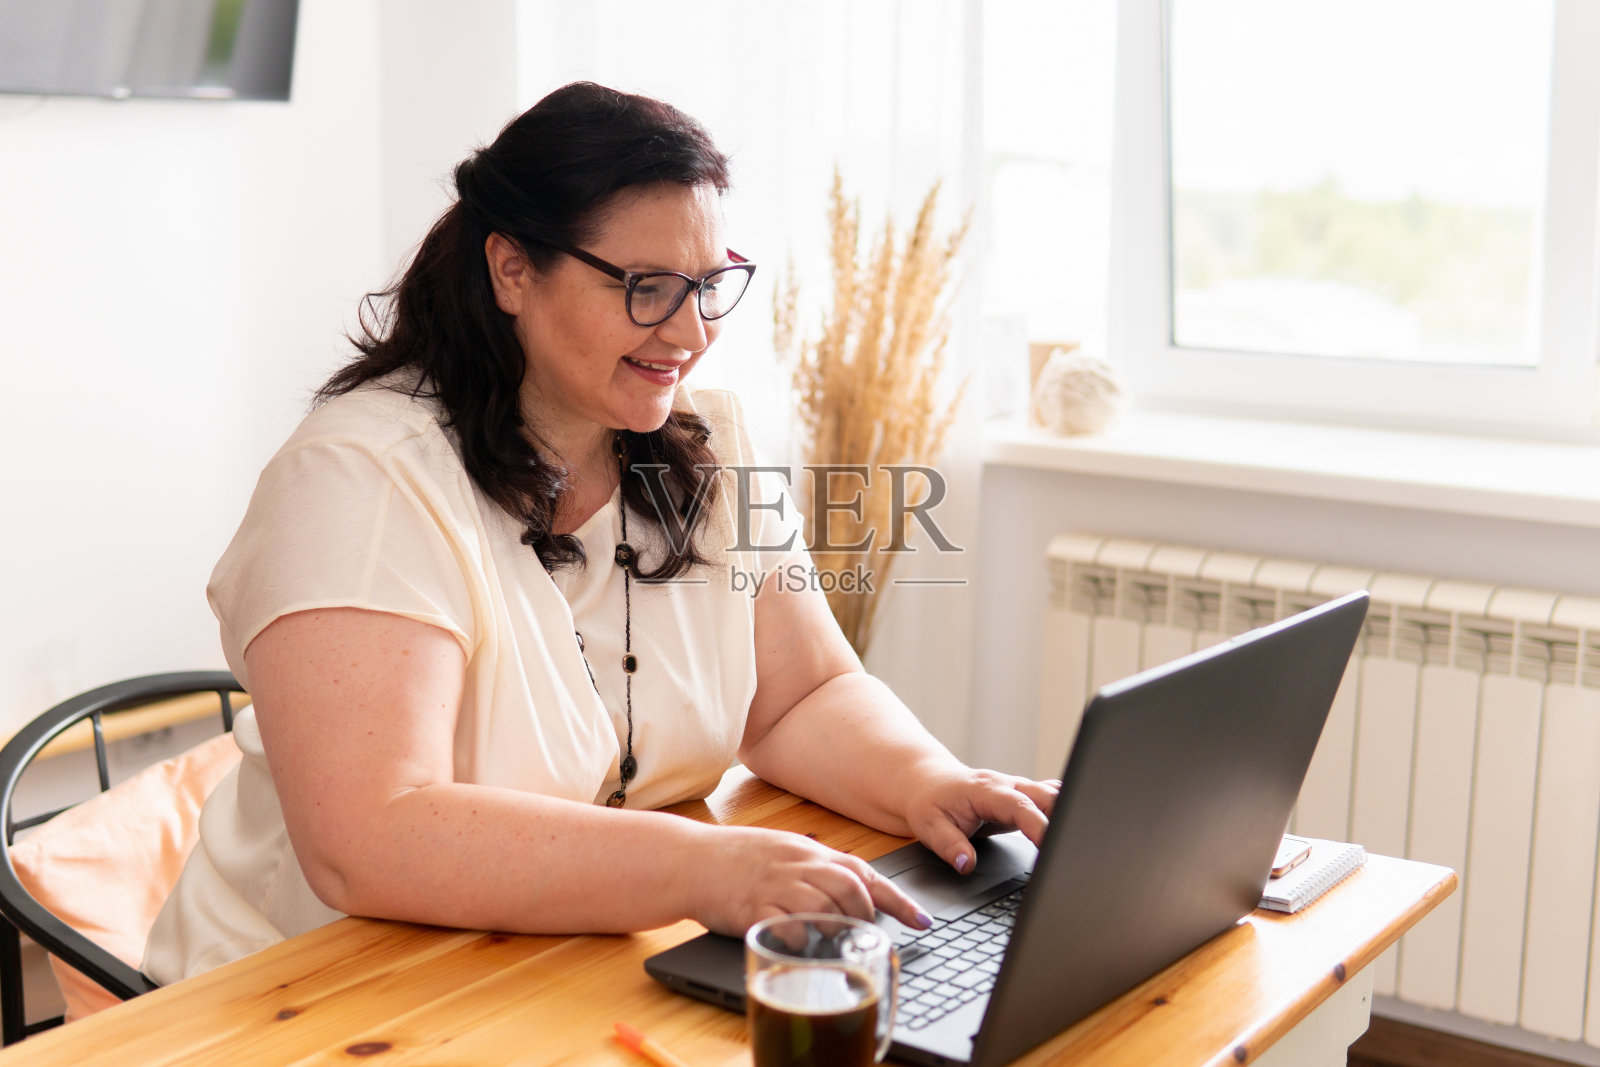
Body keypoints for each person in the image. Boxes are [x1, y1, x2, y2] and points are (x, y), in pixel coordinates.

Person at [143, 81, 1058, 983]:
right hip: (303, 992)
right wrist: (703, 868)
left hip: (548, 964)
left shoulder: (706, 439)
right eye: (648, 288)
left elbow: (800, 695)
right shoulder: (360, 479)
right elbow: (369, 836)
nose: (692, 330)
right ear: (512, 269)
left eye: (707, 285)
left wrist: (927, 781)